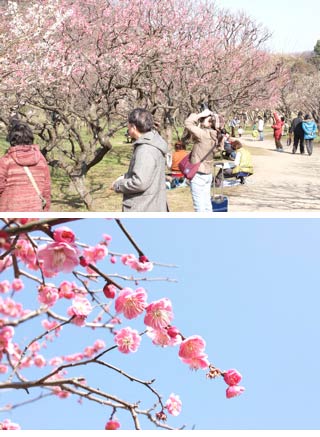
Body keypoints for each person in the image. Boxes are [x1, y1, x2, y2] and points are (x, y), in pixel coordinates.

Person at [111, 108, 168, 212]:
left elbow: (139, 183)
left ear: (133, 127)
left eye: (128, 125)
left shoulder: (145, 149)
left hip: (144, 207)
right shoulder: (154, 141)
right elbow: (147, 172)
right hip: (153, 204)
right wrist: (126, 176)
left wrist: (118, 185)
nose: (127, 128)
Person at [0, 121, 51, 212]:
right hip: (34, 211)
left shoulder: (5, 161)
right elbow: (46, 189)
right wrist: (45, 210)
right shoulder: (41, 160)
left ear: (12, 140)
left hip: (10, 211)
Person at [184, 108, 220, 212]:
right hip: (208, 173)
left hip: (198, 173)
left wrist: (200, 114)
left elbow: (188, 123)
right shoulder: (217, 137)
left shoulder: (203, 135)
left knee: (199, 205)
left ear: (210, 123)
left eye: (207, 119)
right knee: (207, 204)